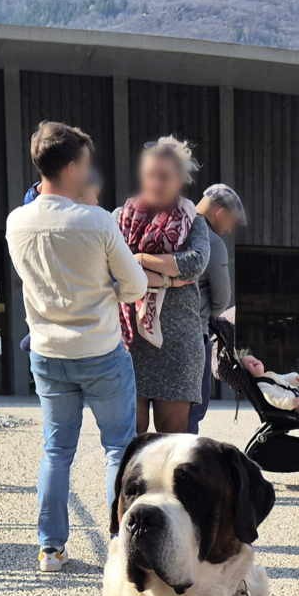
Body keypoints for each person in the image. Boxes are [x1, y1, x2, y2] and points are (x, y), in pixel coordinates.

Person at [5, 122, 147, 574]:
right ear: (70, 166)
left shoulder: (16, 221)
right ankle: (118, 545)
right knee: (118, 449)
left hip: (48, 351)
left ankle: (50, 549)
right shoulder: (97, 221)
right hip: (101, 349)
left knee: (56, 451)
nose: (89, 171)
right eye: (85, 163)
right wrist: (105, 288)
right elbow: (135, 286)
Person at [115, 136, 211, 434]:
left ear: (180, 179)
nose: (156, 183)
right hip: (129, 342)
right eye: (150, 175)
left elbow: (195, 262)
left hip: (178, 346)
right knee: (130, 438)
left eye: (164, 176)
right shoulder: (119, 217)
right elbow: (110, 268)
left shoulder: (193, 220)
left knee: (173, 442)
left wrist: (140, 259)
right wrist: (171, 277)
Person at [186, 182, 244, 434]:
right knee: (192, 411)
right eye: (231, 222)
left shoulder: (173, 226)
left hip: (150, 332)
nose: (229, 229)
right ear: (220, 212)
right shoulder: (212, 241)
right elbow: (222, 299)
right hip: (193, 335)